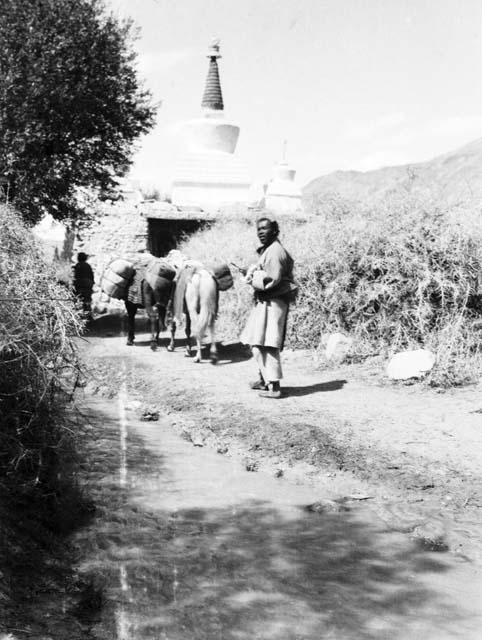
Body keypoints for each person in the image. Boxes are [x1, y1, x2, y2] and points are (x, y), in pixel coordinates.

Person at [240, 217, 297, 398]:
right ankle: (265, 380)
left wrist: (252, 276)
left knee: (268, 342)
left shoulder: (274, 252)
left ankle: (274, 386)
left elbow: (271, 279)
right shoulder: (271, 250)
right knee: (258, 340)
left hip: (274, 301)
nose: (261, 232)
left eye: (265, 229)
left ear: (275, 231)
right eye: (259, 229)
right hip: (269, 301)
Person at [73, 252, 94, 316]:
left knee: (79, 299)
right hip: (88, 285)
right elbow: (92, 276)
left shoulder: (77, 265)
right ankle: (88, 315)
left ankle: (79, 315)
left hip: (80, 285)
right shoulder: (88, 265)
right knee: (87, 300)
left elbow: (75, 276)